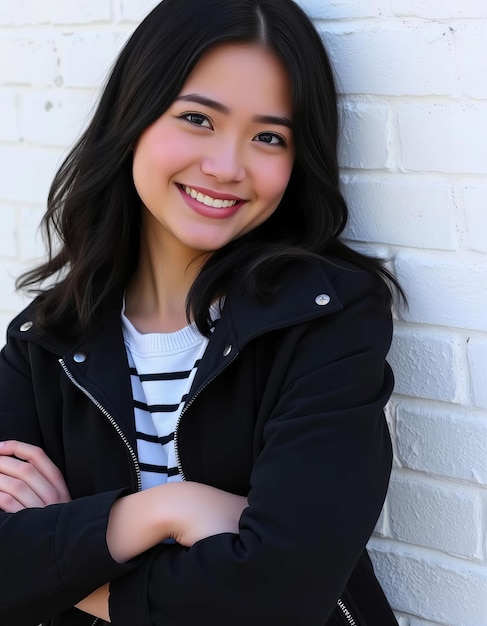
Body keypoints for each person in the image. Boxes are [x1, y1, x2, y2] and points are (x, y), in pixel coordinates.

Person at [0, 0, 403, 624]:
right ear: (132, 116)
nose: (226, 167)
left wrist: (69, 563)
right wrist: (163, 510)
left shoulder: (329, 318)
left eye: (269, 136)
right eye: (197, 119)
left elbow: (283, 589)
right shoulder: (46, 342)